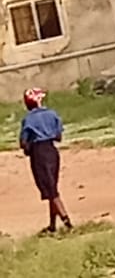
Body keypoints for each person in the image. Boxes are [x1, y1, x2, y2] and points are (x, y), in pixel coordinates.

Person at [19, 88, 72, 234]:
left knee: (51, 191)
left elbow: (23, 143)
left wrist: (28, 149)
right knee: (52, 187)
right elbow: (58, 136)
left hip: (39, 154)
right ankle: (52, 225)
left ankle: (67, 223)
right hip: (52, 152)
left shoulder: (28, 119)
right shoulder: (52, 114)